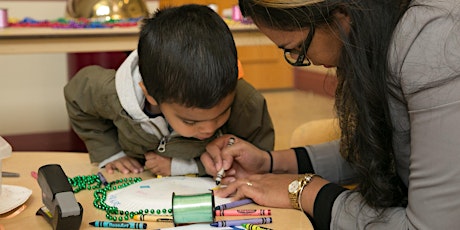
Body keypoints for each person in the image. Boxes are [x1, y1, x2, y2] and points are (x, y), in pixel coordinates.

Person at [201, 0, 460, 229]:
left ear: (341, 14)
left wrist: (303, 191)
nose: (305, 59)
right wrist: (269, 162)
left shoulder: (434, 39)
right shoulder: (383, 32)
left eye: (299, 48)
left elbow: (428, 225)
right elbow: (382, 151)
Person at [64, 4, 274, 177]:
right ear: (150, 95)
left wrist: (184, 167)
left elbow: (255, 164)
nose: (209, 129)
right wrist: (111, 153)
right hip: (138, 181)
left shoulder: (245, 102)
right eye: (191, 121)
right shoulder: (111, 93)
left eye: (222, 114)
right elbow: (76, 96)